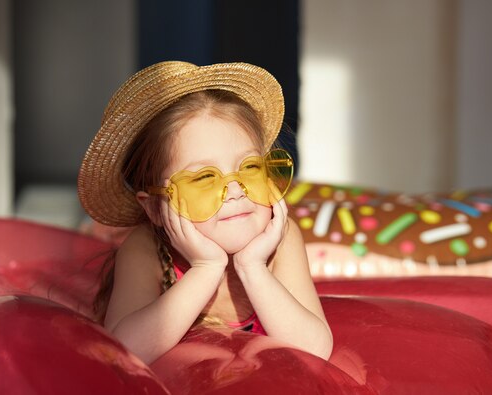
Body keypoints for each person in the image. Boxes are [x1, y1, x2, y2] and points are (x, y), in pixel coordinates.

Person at [77, 61, 333, 364]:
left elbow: (315, 349)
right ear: (156, 208)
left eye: (249, 168)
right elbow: (124, 352)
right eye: (204, 179)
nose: (236, 189)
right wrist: (205, 269)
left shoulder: (281, 239)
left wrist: (253, 268)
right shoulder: (146, 248)